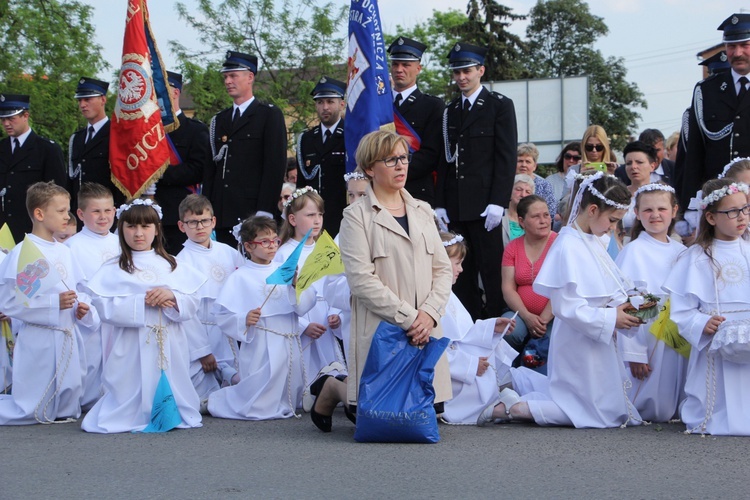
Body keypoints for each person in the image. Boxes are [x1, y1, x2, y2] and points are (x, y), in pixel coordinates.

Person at [312, 130, 452, 433]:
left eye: (404, 158)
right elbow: (361, 281)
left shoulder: (422, 211)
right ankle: (334, 389)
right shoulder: (355, 217)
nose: (401, 165)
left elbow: (442, 270)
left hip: (424, 328)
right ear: (370, 169)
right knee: (371, 414)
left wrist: (428, 314)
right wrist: (410, 317)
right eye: (391, 160)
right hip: (385, 328)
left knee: (426, 411)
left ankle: (340, 389)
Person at [478, 173, 643, 428]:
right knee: (592, 413)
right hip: (577, 340)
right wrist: (612, 317)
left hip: (595, 335)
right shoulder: (568, 244)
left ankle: (519, 394)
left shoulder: (593, 240)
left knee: (610, 409)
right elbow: (567, 306)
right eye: (611, 220)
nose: (613, 227)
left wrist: (624, 306)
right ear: (592, 209)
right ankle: (514, 408)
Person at [81, 199, 205, 433]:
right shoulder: (113, 268)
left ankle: (170, 411)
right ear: (122, 229)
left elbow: (192, 300)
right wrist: (141, 302)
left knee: (171, 375)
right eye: (131, 227)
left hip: (169, 337)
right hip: (131, 340)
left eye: (146, 226)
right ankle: (132, 412)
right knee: (130, 381)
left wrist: (172, 297)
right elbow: (103, 304)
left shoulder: (172, 264)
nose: (138, 233)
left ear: (156, 229)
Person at [436, 42, 518, 320]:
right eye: (457, 72)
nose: (461, 77)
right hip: (457, 206)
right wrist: (440, 203)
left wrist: (498, 201)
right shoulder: (449, 112)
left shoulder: (499, 106)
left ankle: (495, 323)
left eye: (467, 71)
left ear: (480, 70)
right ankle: (468, 324)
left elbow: (506, 158)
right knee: (461, 271)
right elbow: (445, 159)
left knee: (491, 269)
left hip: (486, 208)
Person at [207, 215, 316, 420]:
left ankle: (286, 402)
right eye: (264, 241)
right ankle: (223, 399)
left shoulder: (283, 270)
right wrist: (243, 318)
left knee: (287, 381)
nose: (272, 246)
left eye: (275, 240)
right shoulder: (240, 277)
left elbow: (305, 305)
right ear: (248, 246)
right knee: (259, 395)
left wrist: (295, 285)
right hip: (262, 340)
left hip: (288, 337)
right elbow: (222, 315)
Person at [663, 178, 750, 435]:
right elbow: (681, 309)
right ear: (711, 218)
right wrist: (702, 322)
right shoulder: (696, 257)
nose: (741, 216)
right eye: (732, 211)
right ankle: (713, 416)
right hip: (716, 338)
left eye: (745, 208)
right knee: (719, 391)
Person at [0, 181, 91, 424]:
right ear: (39, 214)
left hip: (67, 333)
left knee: (68, 400)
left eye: (68, 210)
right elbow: (9, 302)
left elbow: (79, 289)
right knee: (35, 409)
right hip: (40, 337)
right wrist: (53, 304)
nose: (67, 216)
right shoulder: (23, 252)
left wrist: (80, 306)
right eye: (61, 211)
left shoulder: (65, 250)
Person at [615, 183, 686, 422]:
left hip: (676, 330)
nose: (655, 215)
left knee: (673, 391)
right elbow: (629, 302)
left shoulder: (681, 250)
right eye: (647, 210)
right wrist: (634, 353)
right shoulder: (634, 251)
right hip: (648, 333)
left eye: (661, 209)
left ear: (674, 211)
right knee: (651, 399)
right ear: (636, 213)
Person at [205, 51, 287, 245]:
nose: (228, 81)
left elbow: (274, 165)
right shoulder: (220, 120)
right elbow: (211, 169)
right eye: (225, 77)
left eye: (233, 76)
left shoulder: (268, 115)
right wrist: (208, 209)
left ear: (250, 77)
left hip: (253, 211)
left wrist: (265, 209)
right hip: (223, 212)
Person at [439, 232, 518, 425]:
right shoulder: (433, 297)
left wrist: (491, 327)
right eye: (457, 263)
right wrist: (470, 365)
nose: (461, 269)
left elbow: (464, 333)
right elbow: (438, 348)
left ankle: (500, 396)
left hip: (463, 364)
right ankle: (495, 406)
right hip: (453, 374)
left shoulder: (447, 294)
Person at [276, 186, 346, 392]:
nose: (317, 220)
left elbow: (339, 282)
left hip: (326, 317)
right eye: (310, 215)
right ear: (293, 219)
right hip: (303, 319)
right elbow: (280, 298)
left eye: (320, 214)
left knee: (331, 362)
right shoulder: (284, 254)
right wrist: (303, 326)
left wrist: (336, 312)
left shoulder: (328, 248)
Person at [176, 194, 244, 400]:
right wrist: (201, 350)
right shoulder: (181, 262)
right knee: (202, 389)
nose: (199, 227)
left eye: (204, 221)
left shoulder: (229, 252)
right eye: (193, 222)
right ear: (181, 226)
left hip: (227, 329)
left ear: (213, 222)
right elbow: (186, 313)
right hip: (200, 331)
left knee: (236, 384)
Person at [681, 13, 750, 209]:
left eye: (745, 45)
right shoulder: (706, 90)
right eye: (731, 46)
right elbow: (694, 155)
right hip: (718, 204)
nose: (737, 53)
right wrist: (689, 208)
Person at [65, 183, 119, 409]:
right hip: (88, 318)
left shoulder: (121, 242)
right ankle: (87, 400)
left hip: (118, 316)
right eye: (96, 211)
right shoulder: (71, 246)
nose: (103, 217)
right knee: (90, 363)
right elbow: (71, 285)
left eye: (108, 211)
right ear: (80, 214)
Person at [156, 71, 212, 255]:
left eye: (162, 91)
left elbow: (197, 169)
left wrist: (159, 174)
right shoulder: (148, 131)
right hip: (151, 214)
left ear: (175, 93)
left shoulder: (194, 130)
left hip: (179, 214)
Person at [0, 94, 67, 240]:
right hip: (3, 229)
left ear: (26, 115)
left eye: (11, 118)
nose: (6, 123)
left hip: (32, 228)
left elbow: (58, 192)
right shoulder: (2, 147)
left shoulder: (47, 149)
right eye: (3, 119)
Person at [387, 36, 445, 206]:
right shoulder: (380, 105)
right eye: (395, 64)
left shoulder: (433, 105)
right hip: (383, 190)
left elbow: (430, 155)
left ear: (418, 68)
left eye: (406, 65)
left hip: (417, 191)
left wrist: (392, 171)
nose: (399, 69)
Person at [500, 195, 557, 366]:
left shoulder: (561, 243)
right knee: (506, 330)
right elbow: (508, 288)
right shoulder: (513, 247)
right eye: (536, 216)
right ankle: (505, 376)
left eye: (546, 215)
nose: (543, 221)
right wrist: (528, 316)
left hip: (555, 314)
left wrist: (544, 319)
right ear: (521, 221)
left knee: (540, 360)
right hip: (521, 313)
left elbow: (564, 288)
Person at [296, 77, 347, 236]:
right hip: (314, 219)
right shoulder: (306, 139)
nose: (325, 107)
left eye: (330, 102)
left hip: (343, 216)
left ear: (342, 104)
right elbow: (302, 183)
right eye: (320, 102)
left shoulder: (351, 136)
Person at [68, 77, 124, 215]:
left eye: (88, 99)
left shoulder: (117, 134)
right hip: (80, 213)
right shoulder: (77, 138)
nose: (82, 105)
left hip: (106, 213)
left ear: (103, 100)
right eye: (80, 100)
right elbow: (70, 180)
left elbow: (122, 179)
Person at [621, 141, 659, 237]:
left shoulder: (661, 194)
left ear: (652, 166)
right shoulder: (618, 194)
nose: (633, 167)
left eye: (639, 162)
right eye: (629, 163)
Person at [516, 143, 557, 218]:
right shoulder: (508, 183)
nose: (523, 165)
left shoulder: (544, 185)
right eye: (520, 161)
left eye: (528, 162)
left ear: (534, 166)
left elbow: (551, 211)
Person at [501, 174, 535, 246]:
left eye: (527, 192)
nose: (523, 195)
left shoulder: (533, 220)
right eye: (519, 190)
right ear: (510, 191)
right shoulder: (499, 216)